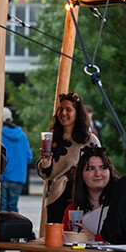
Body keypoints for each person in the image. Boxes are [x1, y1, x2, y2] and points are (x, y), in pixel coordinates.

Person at [37, 92, 100, 224]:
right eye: (61, 109)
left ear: (77, 113)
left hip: (83, 197)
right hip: (57, 197)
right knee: (56, 238)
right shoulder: (52, 139)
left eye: (68, 109)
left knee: (79, 237)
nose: (63, 113)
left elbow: (99, 167)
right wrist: (45, 160)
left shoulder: (90, 140)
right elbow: (45, 175)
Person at [61, 146, 117, 241]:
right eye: (91, 169)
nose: (98, 174)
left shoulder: (120, 204)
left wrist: (93, 238)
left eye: (103, 168)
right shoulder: (72, 209)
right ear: (81, 175)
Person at [0, 108, 32, 213]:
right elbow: (29, 157)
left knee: (2, 209)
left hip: (2, 177)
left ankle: (2, 229)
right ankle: (13, 228)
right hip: (18, 178)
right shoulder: (22, 136)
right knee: (13, 208)